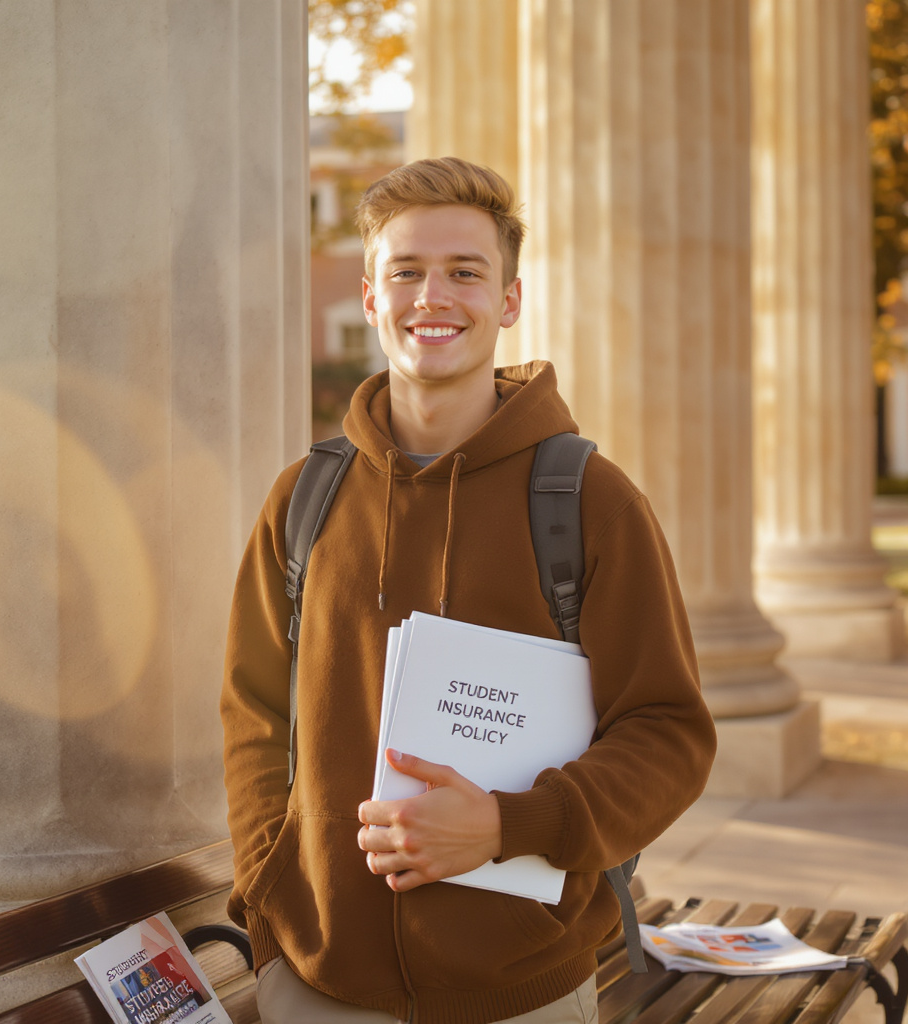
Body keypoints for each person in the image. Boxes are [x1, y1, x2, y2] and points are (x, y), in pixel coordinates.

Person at [220, 156, 716, 1024]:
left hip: (522, 985)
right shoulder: (303, 497)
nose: (432, 296)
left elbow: (669, 734)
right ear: (371, 299)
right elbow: (255, 713)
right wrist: (270, 895)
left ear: (510, 301)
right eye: (405, 271)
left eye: (464, 271)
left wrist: (509, 827)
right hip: (317, 981)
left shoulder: (590, 502)